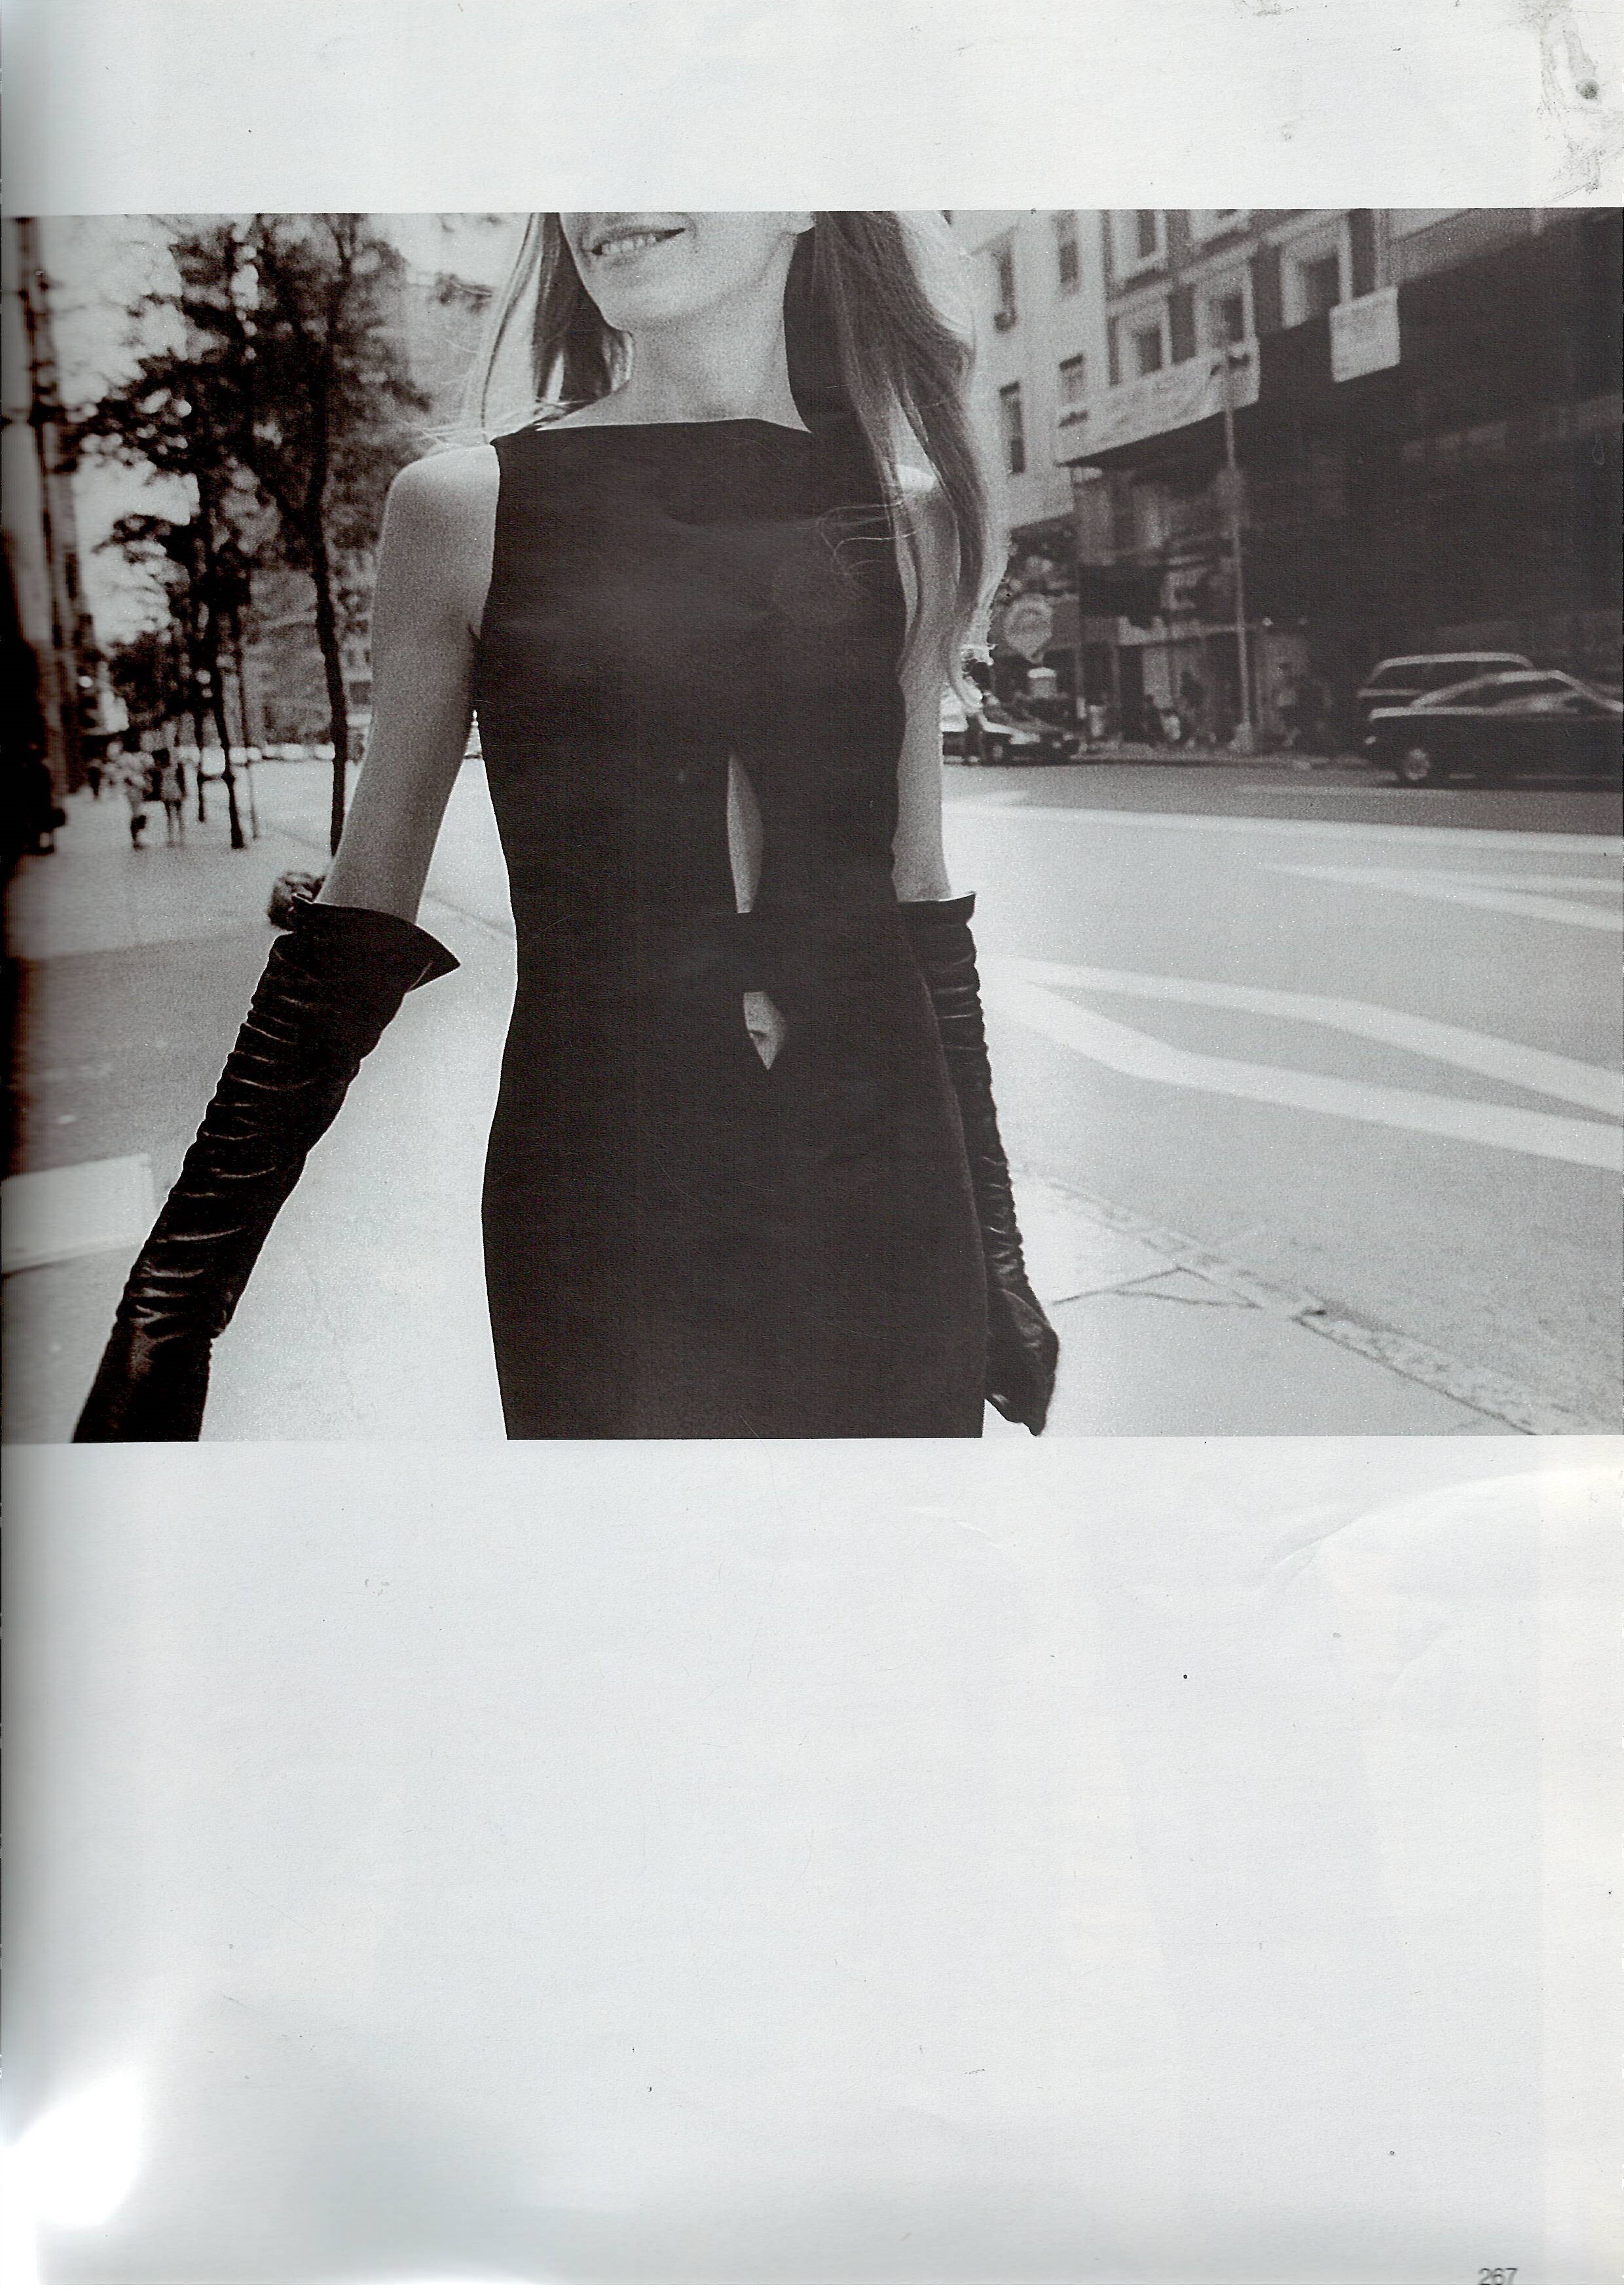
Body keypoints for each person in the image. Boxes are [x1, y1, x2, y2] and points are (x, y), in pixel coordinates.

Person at [75, 213, 1059, 1443]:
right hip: (603, 1187)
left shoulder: (908, 517)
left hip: (891, 1179)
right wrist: (174, 1302)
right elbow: (358, 917)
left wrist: (996, 1245)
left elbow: (920, 894)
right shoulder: (464, 506)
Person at [154, 746, 186, 843]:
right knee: (178, 814)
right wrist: (184, 791)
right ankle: (180, 836)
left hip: (166, 789)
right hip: (174, 789)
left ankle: (172, 837)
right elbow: (182, 780)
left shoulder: (161, 767)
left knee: (169, 815)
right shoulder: (176, 766)